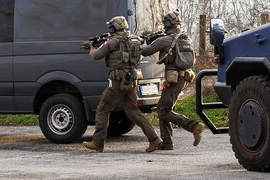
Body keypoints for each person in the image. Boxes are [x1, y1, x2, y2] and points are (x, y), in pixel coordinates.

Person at [83, 16, 163, 153]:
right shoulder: (135, 39)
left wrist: (90, 48)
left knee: (102, 110)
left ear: (113, 27)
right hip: (131, 80)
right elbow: (143, 44)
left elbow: (97, 55)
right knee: (133, 111)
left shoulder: (113, 41)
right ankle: (154, 139)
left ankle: (97, 143)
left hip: (117, 83)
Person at [141, 10, 204, 150]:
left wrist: (142, 42)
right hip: (183, 77)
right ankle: (167, 142)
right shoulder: (185, 38)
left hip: (174, 79)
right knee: (162, 107)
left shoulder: (166, 40)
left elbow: (145, 52)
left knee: (164, 110)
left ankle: (193, 126)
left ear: (167, 24)